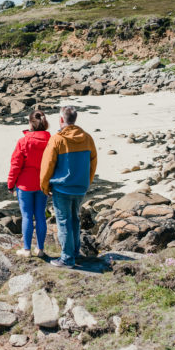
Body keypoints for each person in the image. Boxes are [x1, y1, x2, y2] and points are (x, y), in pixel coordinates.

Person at [39, 105, 97, 268]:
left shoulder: (58, 139)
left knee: (64, 221)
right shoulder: (87, 138)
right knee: (74, 220)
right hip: (80, 187)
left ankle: (67, 258)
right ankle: (75, 252)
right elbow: (93, 162)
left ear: (61, 120)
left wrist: (44, 186)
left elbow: (47, 165)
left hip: (62, 188)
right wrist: (87, 181)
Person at [7, 110, 51, 257]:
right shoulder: (50, 140)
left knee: (26, 216)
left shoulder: (24, 141)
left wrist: (10, 184)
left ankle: (26, 250)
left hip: (25, 185)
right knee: (40, 215)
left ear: (31, 123)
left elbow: (15, 165)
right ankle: (40, 249)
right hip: (42, 183)